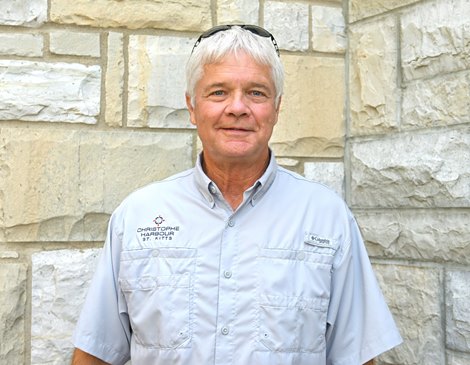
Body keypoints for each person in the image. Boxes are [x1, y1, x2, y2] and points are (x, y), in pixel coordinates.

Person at [72, 24, 402, 365]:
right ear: (191, 106)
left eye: (256, 93)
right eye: (218, 92)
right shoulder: (137, 216)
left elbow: (358, 358)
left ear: (276, 108)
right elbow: (95, 355)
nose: (237, 107)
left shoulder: (328, 218)